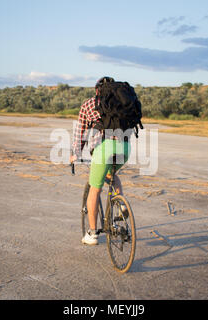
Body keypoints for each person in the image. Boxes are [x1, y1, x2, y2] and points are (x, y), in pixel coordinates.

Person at [70, 77, 131, 245]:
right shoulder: (122, 102)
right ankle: (121, 204)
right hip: (125, 147)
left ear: (97, 90)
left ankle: (92, 233)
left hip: (104, 148)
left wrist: (75, 153)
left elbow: (80, 133)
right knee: (112, 173)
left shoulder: (89, 104)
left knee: (94, 190)